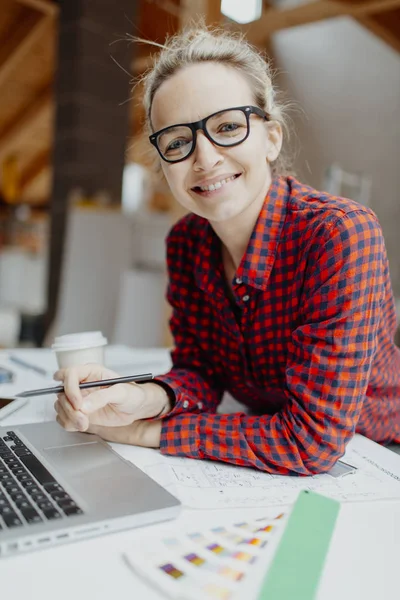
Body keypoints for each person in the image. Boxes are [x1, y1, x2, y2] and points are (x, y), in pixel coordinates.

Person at [54, 26, 400, 475]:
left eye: (228, 127)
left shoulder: (340, 234)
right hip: (266, 451)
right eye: (178, 142)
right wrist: (138, 397)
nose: (205, 157)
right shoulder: (186, 243)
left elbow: (312, 439)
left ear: (272, 137)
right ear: (163, 164)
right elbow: (201, 374)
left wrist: (148, 432)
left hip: (376, 457)